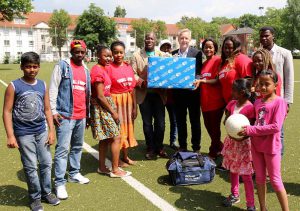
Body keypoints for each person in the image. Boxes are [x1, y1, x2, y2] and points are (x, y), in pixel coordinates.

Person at [3, 52, 60, 211]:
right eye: (28, 66)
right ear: (22, 67)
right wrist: (10, 135)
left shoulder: (42, 85)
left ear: (39, 67)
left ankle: (46, 192)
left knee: (47, 163)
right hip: (23, 133)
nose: (32, 69)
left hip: (41, 131)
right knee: (30, 167)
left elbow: (47, 109)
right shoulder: (14, 86)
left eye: (35, 66)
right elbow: (7, 112)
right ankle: (35, 198)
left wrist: (51, 131)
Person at [240, 70, 289, 211]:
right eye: (260, 84)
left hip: (271, 147)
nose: (262, 87)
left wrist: (251, 130)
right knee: (260, 179)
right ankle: (263, 208)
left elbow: (275, 127)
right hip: (256, 146)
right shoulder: (257, 102)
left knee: (275, 180)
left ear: (275, 85)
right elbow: (254, 120)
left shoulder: (280, 102)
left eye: (267, 84)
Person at [49, 40, 90, 200]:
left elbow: (87, 94)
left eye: (82, 52)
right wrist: (53, 111)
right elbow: (53, 87)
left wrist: (88, 115)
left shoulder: (86, 69)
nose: (79, 54)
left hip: (81, 115)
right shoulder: (63, 66)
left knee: (77, 146)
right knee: (62, 149)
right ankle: (59, 182)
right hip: (65, 115)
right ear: (71, 52)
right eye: (76, 51)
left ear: (85, 53)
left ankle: (74, 173)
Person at [90, 45, 132, 177]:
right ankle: (115, 169)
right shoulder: (98, 70)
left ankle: (102, 167)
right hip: (103, 106)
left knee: (104, 139)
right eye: (105, 56)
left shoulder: (103, 68)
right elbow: (101, 96)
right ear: (98, 56)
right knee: (116, 137)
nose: (109, 58)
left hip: (105, 104)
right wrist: (113, 112)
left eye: (110, 56)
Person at [130, 32, 168, 160]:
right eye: (147, 38)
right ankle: (150, 147)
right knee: (147, 124)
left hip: (159, 94)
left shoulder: (162, 55)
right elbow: (133, 74)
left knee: (161, 123)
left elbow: (168, 69)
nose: (149, 40)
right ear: (144, 40)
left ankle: (159, 147)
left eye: (151, 38)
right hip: (144, 94)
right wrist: (142, 82)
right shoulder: (136, 55)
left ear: (155, 40)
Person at [221, 79, 255, 211]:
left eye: (233, 90)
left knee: (246, 175)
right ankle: (235, 194)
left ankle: (250, 204)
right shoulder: (231, 104)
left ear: (241, 92)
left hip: (244, 145)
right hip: (231, 143)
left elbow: (251, 128)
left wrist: (243, 135)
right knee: (233, 170)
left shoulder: (250, 108)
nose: (231, 92)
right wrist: (229, 123)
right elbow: (226, 121)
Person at [259, 26, 294, 155]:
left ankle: (276, 163)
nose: (264, 38)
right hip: (262, 100)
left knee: (278, 131)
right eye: (261, 36)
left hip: (279, 100)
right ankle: (265, 162)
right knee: (262, 130)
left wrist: (287, 101)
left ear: (273, 35)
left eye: (266, 36)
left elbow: (289, 78)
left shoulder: (284, 53)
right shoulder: (258, 53)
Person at [106, 41, 138, 166]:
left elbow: (133, 88)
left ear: (124, 53)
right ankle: (116, 159)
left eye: (121, 52)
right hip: (115, 102)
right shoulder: (108, 68)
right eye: (116, 52)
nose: (119, 55)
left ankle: (125, 156)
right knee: (117, 131)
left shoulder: (128, 67)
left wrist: (135, 107)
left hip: (128, 102)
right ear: (112, 53)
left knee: (127, 129)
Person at [172, 28, 202, 153]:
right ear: (178, 39)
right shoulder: (173, 54)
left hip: (193, 93)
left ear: (190, 40)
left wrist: (196, 80)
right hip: (178, 94)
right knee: (180, 121)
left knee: (195, 121)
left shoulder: (197, 53)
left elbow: (199, 72)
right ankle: (183, 146)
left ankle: (196, 147)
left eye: (186, 38)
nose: (184, 40)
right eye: (182, 38)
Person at [194, 38, 225, 159]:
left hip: (216, 102)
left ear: (215, 49)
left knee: (215, 129)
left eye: (210, 47)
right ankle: (222, 149)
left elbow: (218, 80)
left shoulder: (218, 61)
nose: (208, 49)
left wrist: (202, 80)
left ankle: (213, 153)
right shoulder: (203, 64)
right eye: (206, 47)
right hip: (205, 102)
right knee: (210, 129)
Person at [219, 36, 253, 104]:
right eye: (225, 48)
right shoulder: (226, 61)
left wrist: (239, 102)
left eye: (230, 48)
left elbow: (248, 82)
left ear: (236, 47)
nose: (227, 50)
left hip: (240, 104)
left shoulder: (241, 59)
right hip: (229, 104)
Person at [159, 39, 178, 150]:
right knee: (160, 121)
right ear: (160, 49)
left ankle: (173, 141)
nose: (166, 50)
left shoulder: (175, 61)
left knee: (174, 120)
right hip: (160, 96)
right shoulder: (157, 62)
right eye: (164, 47)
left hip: (172, 97)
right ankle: (159, 142)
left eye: (168, 47)